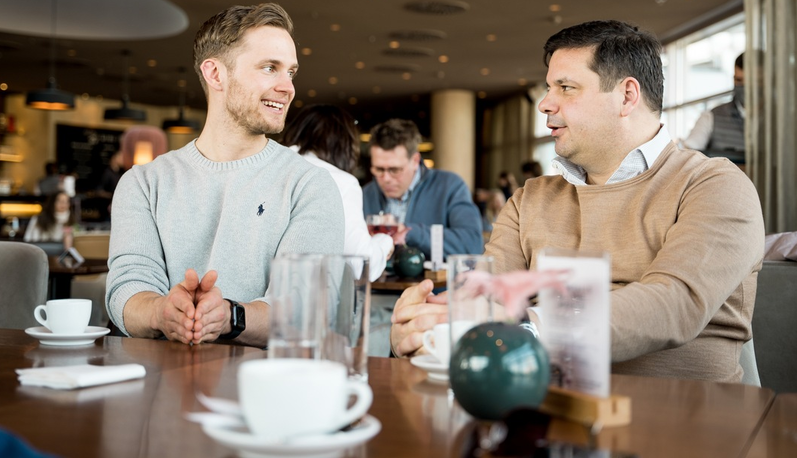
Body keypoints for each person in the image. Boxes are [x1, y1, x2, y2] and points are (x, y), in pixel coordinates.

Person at [389, 20, 764, 383]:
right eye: (549, 88)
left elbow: (674, 305)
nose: (546, 104)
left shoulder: (714, 185)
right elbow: (488, 297)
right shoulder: (531, 198)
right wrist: (428, 324)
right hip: (541, 418)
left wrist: (532, 331)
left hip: (687, 430)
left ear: (627, 96)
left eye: (566, 87)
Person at [105, 3, 345, 346]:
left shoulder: (310, 185)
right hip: (158, 387)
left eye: (290, 72)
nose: (288, 87)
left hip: (265, 388)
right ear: (215, 74)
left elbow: (305, 309)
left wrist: (230, 316)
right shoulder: (143, 183)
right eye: (269, 68)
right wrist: (161, 312)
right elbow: (126, 289)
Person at [282, 104, 393, 280]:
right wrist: (385, 241)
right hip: (301, 298)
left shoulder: (271, 165)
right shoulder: (342, 182)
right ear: (345, 144)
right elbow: (360, 265)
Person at [362, 119, 482, 258]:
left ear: (415, 161)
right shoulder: (366, 194)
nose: (386, 178)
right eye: (379, 169)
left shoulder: (450, 186)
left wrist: (410, 233)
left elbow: (472, 245)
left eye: (394, 170)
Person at [682, 53, 745, 166]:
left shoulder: (778, 120)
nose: (744, 87)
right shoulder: (711, 117)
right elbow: (688, 155)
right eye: (739, 80)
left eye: (753, 82)